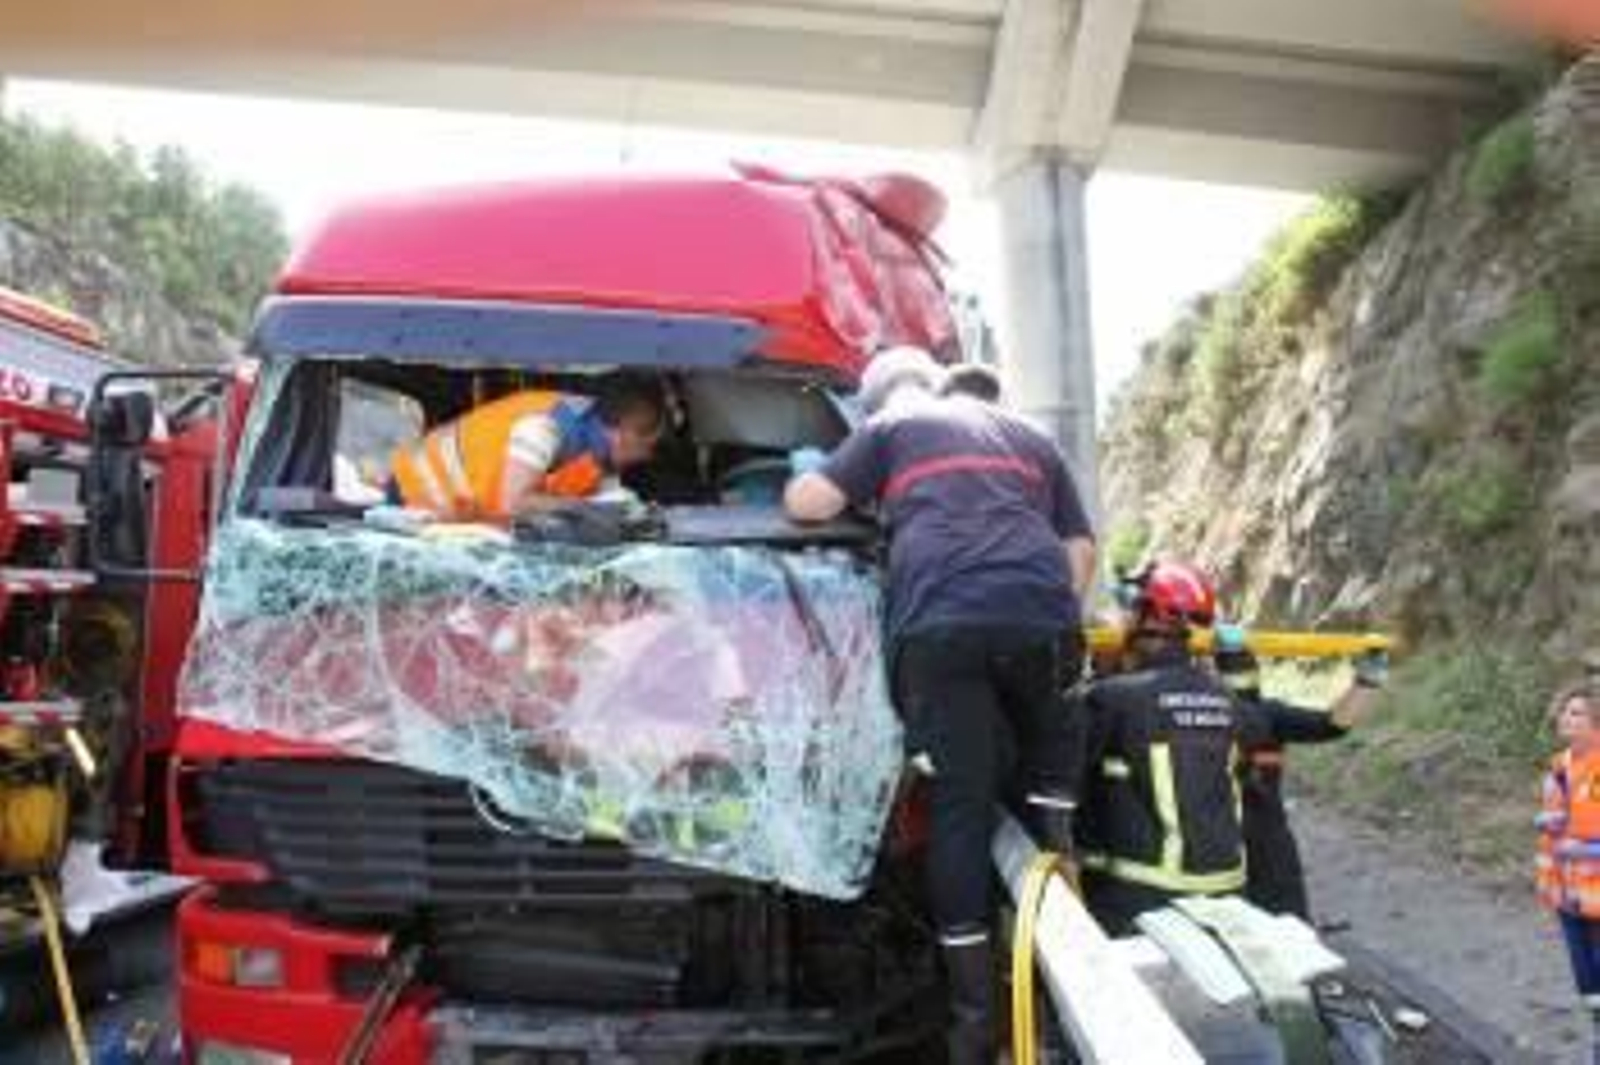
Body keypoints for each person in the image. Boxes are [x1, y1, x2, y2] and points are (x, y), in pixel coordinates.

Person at [783, 344, 1096, 1065]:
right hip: (1041, 619)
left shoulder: (895, 423)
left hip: (940, 625)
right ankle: (1065, 943)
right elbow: (1079, 548)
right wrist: (1043, 614)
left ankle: (973, 1020)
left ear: (882, 396)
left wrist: (812, 471)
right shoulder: (1028, 434)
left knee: (960, 803)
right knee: (1050, 789)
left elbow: (811, 505)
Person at [1074, 563, 1386, 934]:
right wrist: (1369, 679)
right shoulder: (1230, 705)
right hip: (1227, 895)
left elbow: (1052, 779)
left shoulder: (1110, 700)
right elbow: (1331, 725)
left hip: (1138, 899)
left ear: (1144, 617)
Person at [1213, 624, 1378, 919]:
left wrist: (1367, 680)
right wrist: (1367, 681)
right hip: (1227, 844)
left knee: (1283, 937)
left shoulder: (1267, 715)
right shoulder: (1265, 715)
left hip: (1252, 844)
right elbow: (1333, 725)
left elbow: (1332, 725)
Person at [388, 377, 665, 521]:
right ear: (623, 433)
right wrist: (583, 510)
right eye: (648, 446)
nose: (647, 457)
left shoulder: (595, 453)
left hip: (457, 514)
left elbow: (605, 500)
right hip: (414, 496)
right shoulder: (544, 426)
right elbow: (515, 502)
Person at [1537, 680, 1600, 1063]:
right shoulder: (1559, 766)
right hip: (1567, 897)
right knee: (1588, 986)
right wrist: (1548, 821)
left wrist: (1590, 848)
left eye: (1576, 712)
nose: (1566, 717)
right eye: (1564, 710)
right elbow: (1568, 823)